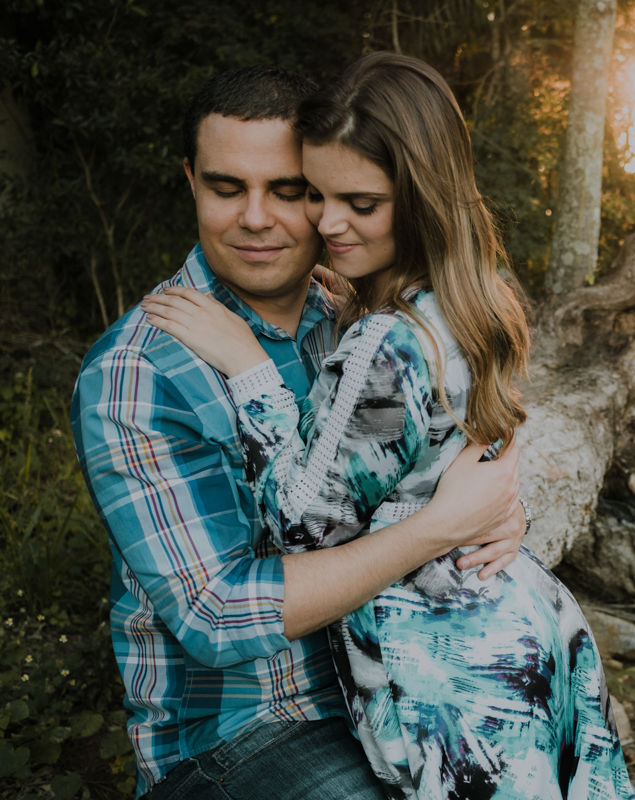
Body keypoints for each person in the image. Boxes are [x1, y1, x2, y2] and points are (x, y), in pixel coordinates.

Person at [140, 53, 635, 800]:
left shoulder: (387, 343)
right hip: (525, 628)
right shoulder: (478, 302)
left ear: (419, 199)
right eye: (318, 193)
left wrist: (252, 371)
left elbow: (306, 526)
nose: (328, 222)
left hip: (449, 668)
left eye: (360, 204)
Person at [71, 65, 528, 800]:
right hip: (244, 737)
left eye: (290, 191)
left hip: (394, 688)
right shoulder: (140, 370)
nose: (257, 217)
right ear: (191, 181)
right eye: (227, 187)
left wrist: (501, 504)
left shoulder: (355, 319)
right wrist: (438, 529)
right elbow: (215, 615)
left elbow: (448, 438)